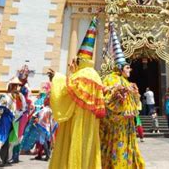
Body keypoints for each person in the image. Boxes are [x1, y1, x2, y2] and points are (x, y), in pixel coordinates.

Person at [48, 16, 106, 169]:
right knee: (88, 148)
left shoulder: (81, 75)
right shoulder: (96, 76)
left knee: (75, 146)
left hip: (77, 120)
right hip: (91, 123)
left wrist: (57, 77)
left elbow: (68, 89)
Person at [100, 22, 144, 168]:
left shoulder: (127, 82)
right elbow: (106, 97)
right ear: (119, 68)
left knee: (128, 147)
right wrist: (117, 94)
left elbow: (136, 104)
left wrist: (135, 95)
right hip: (116, 124)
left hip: (128, 124)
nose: (130, 70)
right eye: (127, 67)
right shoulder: (111, 78)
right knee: (116, 148)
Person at [0, 76, 24, 166]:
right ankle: (1, 158)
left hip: (9, 120)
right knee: (3, 139)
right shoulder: (8, 97)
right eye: (16, 85)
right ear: (12, 86)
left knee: (4, 139)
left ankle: (1, 159)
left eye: (18, 86)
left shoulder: (13, 98)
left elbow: (0, 110)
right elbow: (0, 110)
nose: (18, 88)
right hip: (8, 120)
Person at [11, 64, 32, 164]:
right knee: (12, 133)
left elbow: (27, 100)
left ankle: (15, 155)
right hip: (14, 112)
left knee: (19, 134)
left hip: (22, 113)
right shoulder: (15, 85)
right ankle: (9, 154)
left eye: (25, 75)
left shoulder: (26, 88)